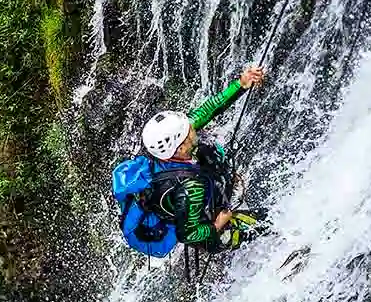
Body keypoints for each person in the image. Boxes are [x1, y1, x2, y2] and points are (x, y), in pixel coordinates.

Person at [112, 65, 270, 258]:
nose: (194, 126)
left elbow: (207, 110)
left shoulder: (168, 152)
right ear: (180, 146)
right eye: (189, 130)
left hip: (191, 201)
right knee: (268, 223)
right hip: (207, 228)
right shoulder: (190, 187)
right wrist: (218, 224)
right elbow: (187, 234)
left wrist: (241, 84)